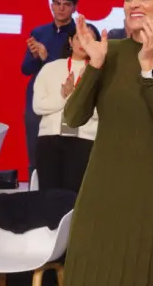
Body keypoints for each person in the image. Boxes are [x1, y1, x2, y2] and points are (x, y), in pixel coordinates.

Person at [61, 0, 153, 286]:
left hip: (152, 193)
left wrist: (149, 64)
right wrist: (94, 66)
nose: (134, 4)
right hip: (100, 191)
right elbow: (74, 116)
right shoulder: (108, 51)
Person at [32, 21, 100, 193]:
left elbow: (101, 112)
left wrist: (76, 99)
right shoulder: (50, 68)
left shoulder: (101, 73)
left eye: (88, 38)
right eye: (78, 37)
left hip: (84, 140)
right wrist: (63, 96)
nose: (82, 42)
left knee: (75, 196)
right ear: (70, 41)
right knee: (48, 195)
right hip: (50, 139)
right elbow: (38, 106)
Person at [21, 0, 79, 175]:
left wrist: (47, 56)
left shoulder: (79, 34)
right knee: (35, 150)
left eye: (66, 5)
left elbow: (76, 66)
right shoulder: (39, 32)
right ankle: (34, 197)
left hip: (69, 95)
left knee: (68, 150)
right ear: (51, 6)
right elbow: (26, 69)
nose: (61, 8)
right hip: (39, 97)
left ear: (74, 8)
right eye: (57, 4)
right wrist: (34, 55)